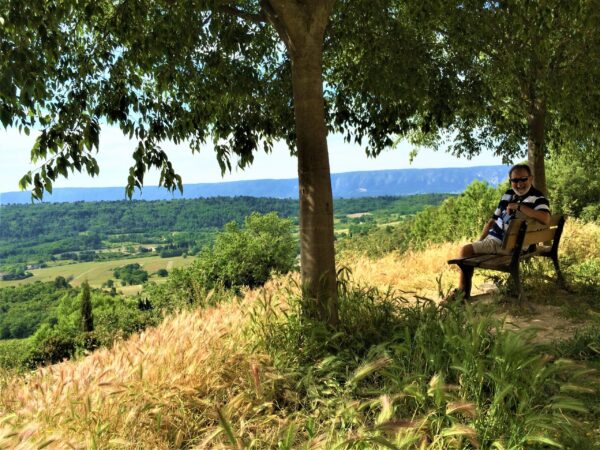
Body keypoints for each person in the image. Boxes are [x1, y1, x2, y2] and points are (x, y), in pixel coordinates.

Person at [453, 163, 550, 296]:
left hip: (510, 245)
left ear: (531, 179)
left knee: (465, 250)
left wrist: (519, 207)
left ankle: (462, 294)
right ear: (511, 181)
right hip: (499, 241)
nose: (519, 184)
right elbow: (493, 220)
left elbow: (545, 218)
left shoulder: (538, 198)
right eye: (515, 180)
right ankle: (462, 293)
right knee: (470, 249)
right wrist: (480, 241)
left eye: (523, 179)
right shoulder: (507, 195)